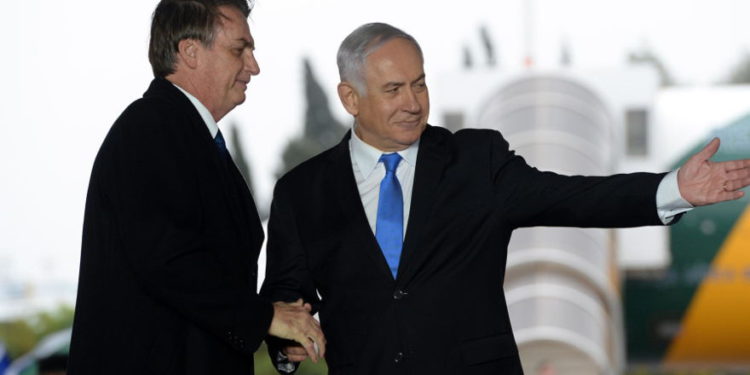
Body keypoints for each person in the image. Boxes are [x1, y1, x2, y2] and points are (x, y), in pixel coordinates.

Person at [260, 22, 750, 374]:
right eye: (393, 89)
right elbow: (286, 296)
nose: (413, 103)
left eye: (420, 83)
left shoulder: (476, 160)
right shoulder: (303, 193)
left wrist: (672, 189)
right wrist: (285, 346)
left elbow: (573, 196)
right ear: (350, 98)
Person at [67, 1, 325, 373]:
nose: (254, 66)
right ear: (190, 51)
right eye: (240, 49)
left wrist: (273, 324)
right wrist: (264, 316)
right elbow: (169, 259)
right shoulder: (148, 129)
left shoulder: (194, 140)